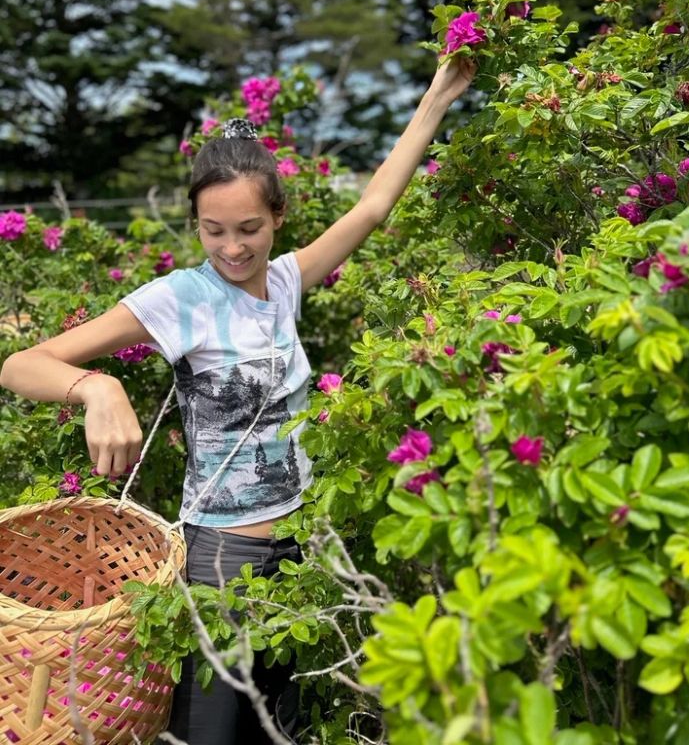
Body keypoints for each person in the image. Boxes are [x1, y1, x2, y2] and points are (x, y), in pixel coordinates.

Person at [0, 56, 476, 744]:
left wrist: (434, 99)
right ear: (194, 223)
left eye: (249, 228)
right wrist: (95, 387)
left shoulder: (283, 283)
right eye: (212, 230)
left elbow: (372, 206)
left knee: (280, 731)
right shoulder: (181, 298)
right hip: (223, 559)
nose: (231, 247)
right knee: (211, 734)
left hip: (302, 552)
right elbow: (21, 363)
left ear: (277, 217)